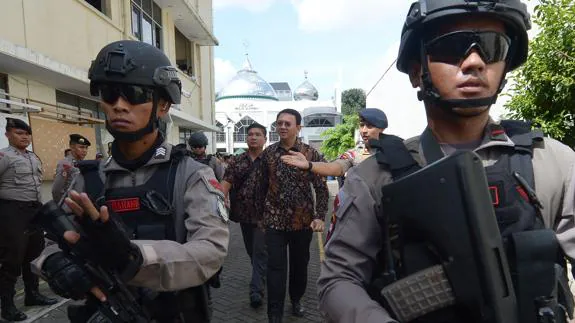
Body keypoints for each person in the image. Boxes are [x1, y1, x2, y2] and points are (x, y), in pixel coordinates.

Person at [317, 1, 575, 322]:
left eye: (493, 47)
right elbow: (337, 282)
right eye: (453, 47)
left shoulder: (552, 163)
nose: (475, 62)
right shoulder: (374, 178)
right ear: (416, 71)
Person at [33, 40, 229, 322]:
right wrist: (54, 263)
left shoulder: (190, 174)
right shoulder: (86, 178)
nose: (119, 106)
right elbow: (53, 242)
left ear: (163, 105)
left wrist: (132, 257)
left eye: (134, 94)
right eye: (110, 94)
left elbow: (210, 251)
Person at [255, 109, 328, 323]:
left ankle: (296, 299)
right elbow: (261, 187)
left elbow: (322, 187)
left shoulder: (310, 154)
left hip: (302, 222)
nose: (283, 127)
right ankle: (274, 313)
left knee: (299, 266)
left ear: (298, 127)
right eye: (279, 123)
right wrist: (260, 218)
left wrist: (320, 215)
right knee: (275, 268)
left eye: (288, 123)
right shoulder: (268, 154)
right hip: (274, 222)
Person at [0, 118, 57, 322]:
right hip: (11, 212)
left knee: (33, 255)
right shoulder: (4, 156)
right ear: (8, 135)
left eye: (26, 134)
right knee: (12, 259)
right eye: (18, 133)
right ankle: (6, 306)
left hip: (33, 211)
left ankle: (33, 295)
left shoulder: (32, 156)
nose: (24, 137)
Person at [221, 123, 268, 309]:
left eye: (258, 134)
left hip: (265, 216)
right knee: (252, 251)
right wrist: (220, 197)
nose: (253, 137)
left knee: (259, 251)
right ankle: (262, 273)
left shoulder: (272, 160)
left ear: (265, 139)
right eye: (250, 134)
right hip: (244, 215)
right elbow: (226, 182)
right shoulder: (237, 161)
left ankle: (256, 291)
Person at [280, 108, 388, 177]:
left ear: (381, 128)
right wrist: (309, 165)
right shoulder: (355, 154)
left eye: (369, 126)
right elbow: (336, 168)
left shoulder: (397, 148)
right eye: (361, 125)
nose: (364, 130)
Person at [52, 134, 91, 202]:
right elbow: (56, 190)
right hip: (69, 205)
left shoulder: (82, 164)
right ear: (72, 147)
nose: (85, 150)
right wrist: (63, 206)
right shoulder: (65, 163)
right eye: (81, 147)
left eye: (86, 147)